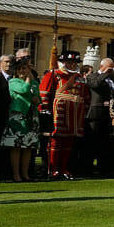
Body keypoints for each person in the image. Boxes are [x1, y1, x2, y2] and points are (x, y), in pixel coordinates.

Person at [41, 51, 88, 180]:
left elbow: (85, 95)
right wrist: (45, 109)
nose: (72, 65)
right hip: (59, 112)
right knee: (56, 141)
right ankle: (53, 169)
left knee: (69, 141)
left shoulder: (80, 77)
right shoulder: (55, 75)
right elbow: (45, 92)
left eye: (74, 63)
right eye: (69, 63)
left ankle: (63, 168)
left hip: (75, 114)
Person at [3, 58, 40, 182]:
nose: (22, 71)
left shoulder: (35, 83)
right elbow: (23, 90)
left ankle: (25, 174)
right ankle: (16, 174)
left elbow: (38, 96)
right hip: (18, 116)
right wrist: (29, 79)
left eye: (24, 68)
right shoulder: (13, 81)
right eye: (19, 69)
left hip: (31, 116)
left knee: (28, 146)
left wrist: (36, 99)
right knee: (16, 146)